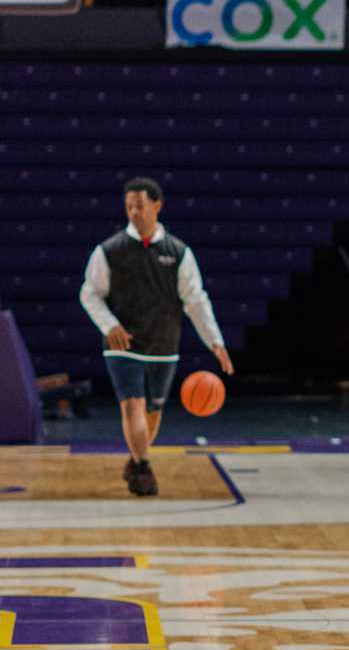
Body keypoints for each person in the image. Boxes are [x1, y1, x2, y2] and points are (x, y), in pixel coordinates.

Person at [79, 176, 233, 497]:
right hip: (124, 345)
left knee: (153, 410)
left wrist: (215, 343)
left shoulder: (178, 252)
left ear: (157, 206)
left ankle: (136, 458)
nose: (133, 212)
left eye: (140, 206)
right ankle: (145, 469)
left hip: (163, 343)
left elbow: (196, 301)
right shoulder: (109, 250)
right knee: (131, 406)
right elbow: (89, 294)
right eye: (128, 207)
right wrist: (110, 326)